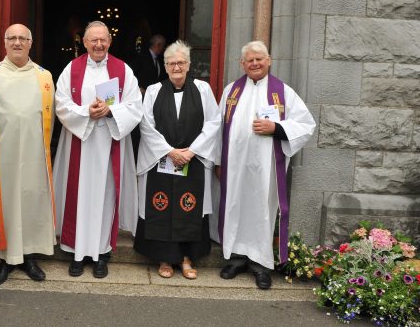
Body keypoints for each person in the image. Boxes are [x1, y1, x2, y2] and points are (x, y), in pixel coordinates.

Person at [214, 40, 315, 289]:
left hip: (265, 169)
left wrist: (276, 128)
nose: (255, 63)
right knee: (235, 207)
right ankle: (236, 258)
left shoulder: (283, 92)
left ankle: (260, 264)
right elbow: (217, 129)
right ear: (242, 64)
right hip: (236, 167)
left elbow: (306, 124)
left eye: (259, 58)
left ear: (269, 60)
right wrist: (218, 161)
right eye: (250, 60)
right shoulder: (231, 92)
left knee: (261, 210)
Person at [53, 21, 143, 279]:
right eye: (93, 40)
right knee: (77, 195)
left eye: (103, 40)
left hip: (109, 142)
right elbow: (61, 103)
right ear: (84, 42)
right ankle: (76, 253)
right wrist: (86, 112)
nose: (99, 44)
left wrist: (110, 110)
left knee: (105, 196)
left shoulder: (123, 70)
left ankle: (101, 254)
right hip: (79, 143)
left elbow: (136, 105)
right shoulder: (72, 69)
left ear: (110, 41)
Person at [133, 41, 220, 280]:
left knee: (188, 207)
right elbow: (146, 125)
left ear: (189, 65)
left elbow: (214, 123)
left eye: (181, 62)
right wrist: (170, 151)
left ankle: (186, 258)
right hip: (162, 161)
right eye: (171, 63)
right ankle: (164, 257)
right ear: (166, 66)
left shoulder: (202, 90)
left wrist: (191, 152)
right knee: (162, 207)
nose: (176, 67)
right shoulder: (153, 91)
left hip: (193, 161)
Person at [0, 23, 56, 286]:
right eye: (12, 38)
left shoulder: (44, 77)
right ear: (4, 42)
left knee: (31, 201)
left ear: (31, 43)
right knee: (6, 202)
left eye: (23, 38)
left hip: (34, 153)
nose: (17, 43)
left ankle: (28, 256)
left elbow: (51, 118)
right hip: (1, 154)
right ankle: (3, 259)